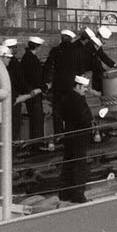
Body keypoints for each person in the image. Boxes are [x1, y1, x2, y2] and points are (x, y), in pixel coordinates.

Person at [60, 74, 94, 204]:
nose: (85, 90)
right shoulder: (78, 99)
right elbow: (85, 119)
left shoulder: (67, 98)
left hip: (69, 136)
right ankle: (78, 195)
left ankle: (65, 194)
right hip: (80, 138)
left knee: (68, 164)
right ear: (79, 86)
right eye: (84, 87)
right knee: (78, 166)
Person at [45, 29, 79, 145]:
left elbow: (48, 66)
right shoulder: (75, 51)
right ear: (70, 38)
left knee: (57, 111)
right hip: (71, 85)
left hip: (58, 86)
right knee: (71, 110)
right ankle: (70, 135)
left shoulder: (55, 50)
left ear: (62, 38)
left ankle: (58, 136)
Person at [20, 37, 46, 145]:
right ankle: (37, 143)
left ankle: (34, 142)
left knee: (34, 117)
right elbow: (36, 77)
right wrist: (44, 86)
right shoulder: (33, 59)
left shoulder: (26, 57)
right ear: (38, 47)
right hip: (34, 92)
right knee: (37, 118)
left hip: (29, 91)